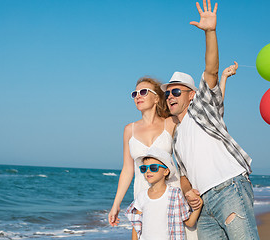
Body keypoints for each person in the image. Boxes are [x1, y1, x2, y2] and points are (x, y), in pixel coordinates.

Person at [160, 1, 260, 239]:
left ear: (191, 94)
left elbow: (211, 70)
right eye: (167, 93)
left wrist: (210, 32)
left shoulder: (202, 107)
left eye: (176, 91)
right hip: (203, 205)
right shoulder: (175, 138)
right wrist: (187, 193)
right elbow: (184, 176)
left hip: (229, 189)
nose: (170, 96)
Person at [108, 76, 182, 239]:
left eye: (143, 92)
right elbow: (128, 170)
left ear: (156, 97)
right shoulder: (129, 129)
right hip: (143, 193)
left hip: (171, 192)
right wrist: (116, 204)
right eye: (135, 94)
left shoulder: (171, 123)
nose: (138, 96)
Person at [125, 147, 203, 240]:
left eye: (153, 167)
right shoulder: (141, 196)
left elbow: (189, 222)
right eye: (144, 168)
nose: (148, 171)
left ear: (166, 171)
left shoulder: (174, 194)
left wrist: (199, 204)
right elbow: (137, 225)